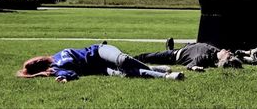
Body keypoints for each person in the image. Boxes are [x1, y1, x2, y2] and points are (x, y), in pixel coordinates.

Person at [16, 43, 184, 82]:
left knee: (124, 60)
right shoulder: (56, 69)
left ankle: (155, 69)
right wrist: (65, 78)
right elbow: (71, 74)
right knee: (126, 74)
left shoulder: (57, 55)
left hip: (99, 50)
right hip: (101, 68)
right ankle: (166, 76)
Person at [134, 40, 242, 71]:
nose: (229, 52)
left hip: (173, 56)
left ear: (222, 60)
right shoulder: (216, 51)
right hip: (187, 48)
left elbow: (191, 65)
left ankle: (128, 59)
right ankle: (170, 47)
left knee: (147, 57)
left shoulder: (205, 57)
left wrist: (195, 67)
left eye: (229, 56)